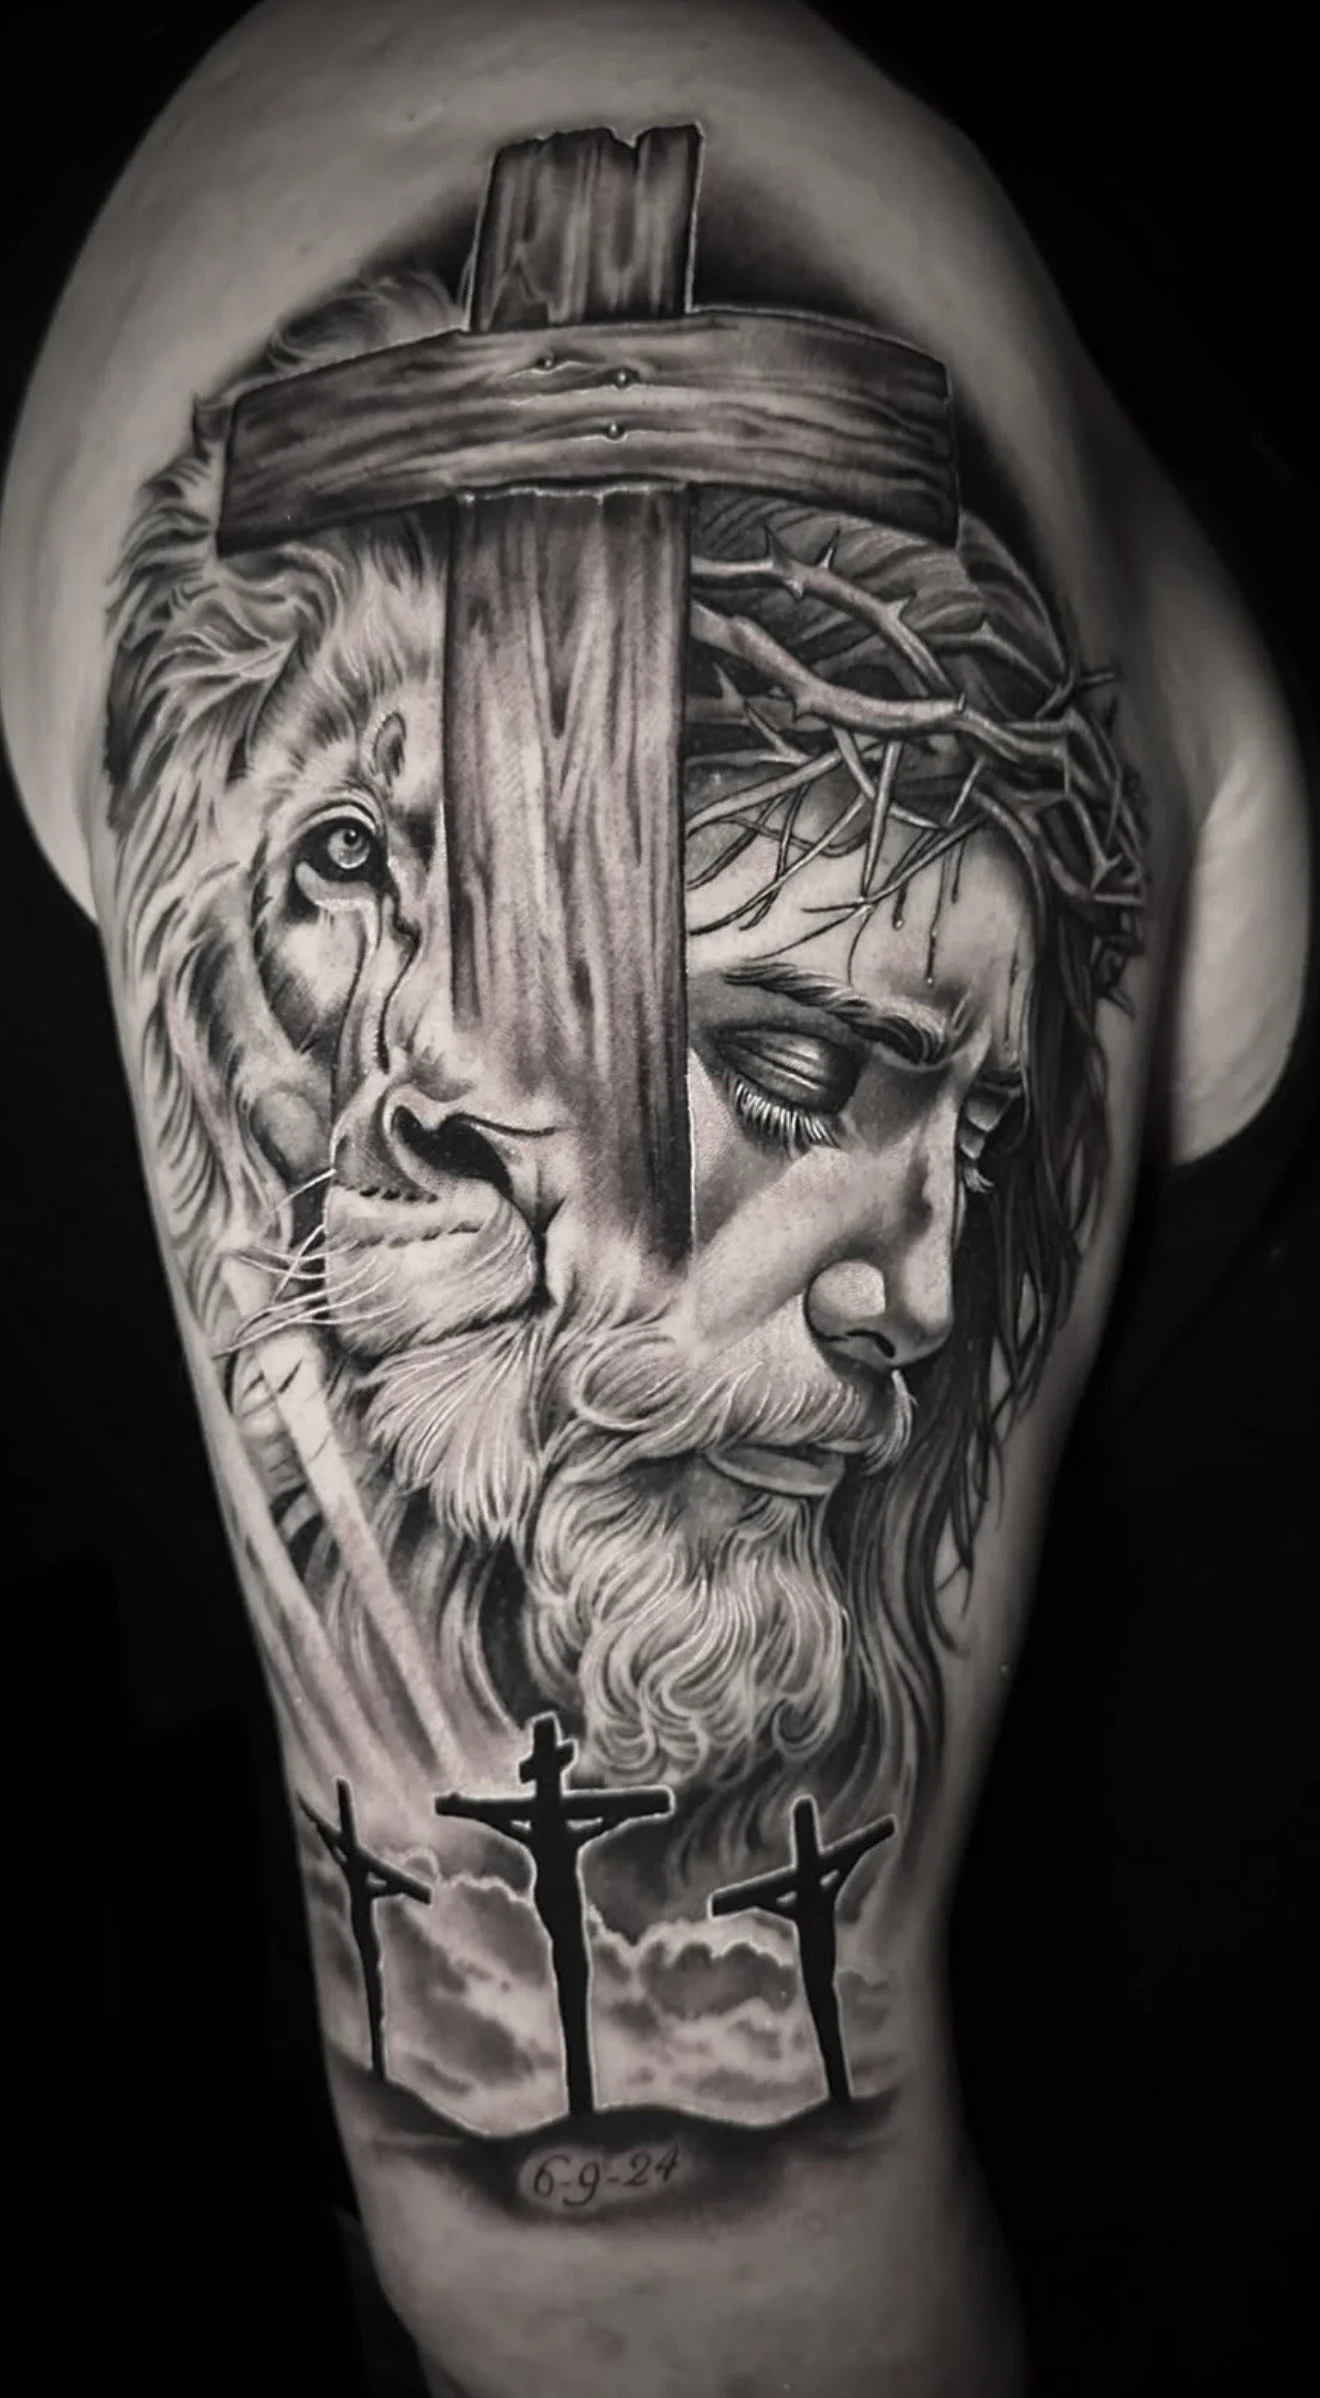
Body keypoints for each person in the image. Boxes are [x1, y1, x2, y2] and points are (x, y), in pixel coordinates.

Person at [1, 6, 1309, 2395]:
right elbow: (652, 2288)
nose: (925, 1289)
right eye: (800, 1064)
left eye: (973, 1132)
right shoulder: (572, 339)